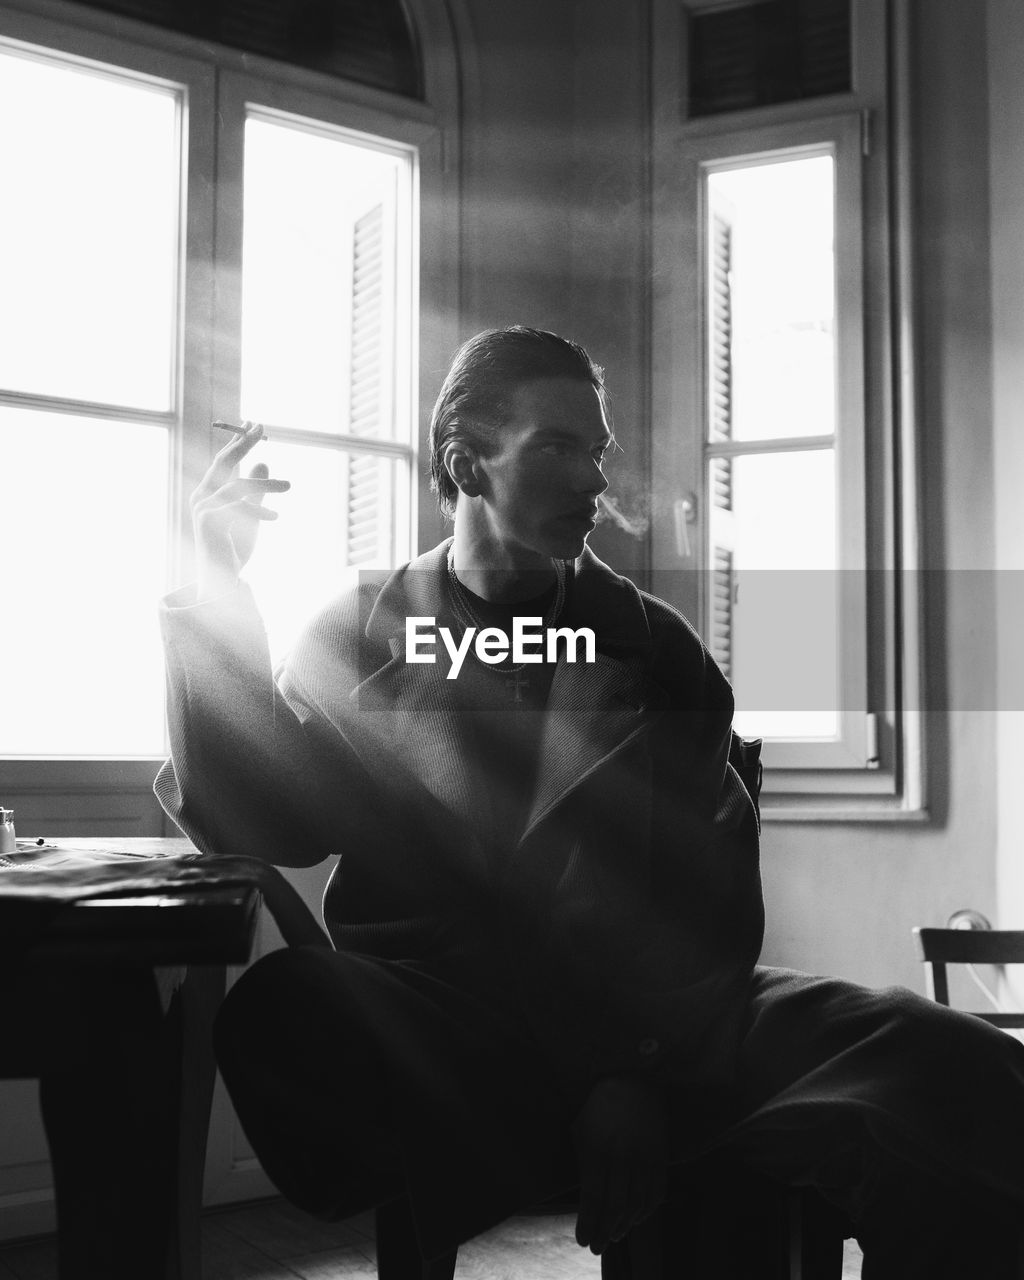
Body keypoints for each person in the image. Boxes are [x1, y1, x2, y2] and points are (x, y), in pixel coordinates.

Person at [156, 327, 1024, 1277]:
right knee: (293, 1003)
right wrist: (215, 590)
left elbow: (705, 899)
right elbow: (261, 820)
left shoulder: (654, 646)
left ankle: (640, 1127)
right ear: (467, 464)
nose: (594, 482)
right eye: (558, 448)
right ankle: (628, 1128)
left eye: (597, 452)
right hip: (453, 1018)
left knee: (947, 1061)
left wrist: (630, 1068)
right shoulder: (363, 629)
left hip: (657, 1011)